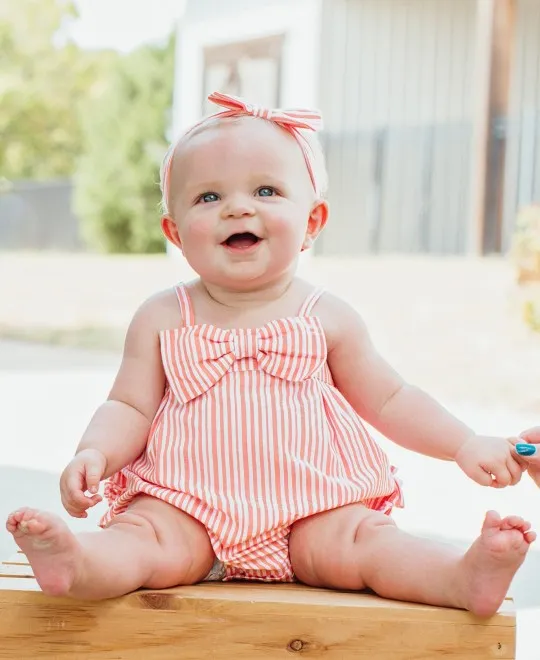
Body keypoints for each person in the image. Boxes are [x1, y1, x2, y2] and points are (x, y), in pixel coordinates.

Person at [6, 92, 536, 617]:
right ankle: (78, 563)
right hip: (188, 505)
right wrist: (94, 454)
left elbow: (392, 399)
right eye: (208, 197)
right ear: (174, 232)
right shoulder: (162, 316)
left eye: (266, 189)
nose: (238, 207)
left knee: (366, 543)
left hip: (313, 506)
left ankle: (459, 577)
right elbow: (128, 407)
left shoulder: (327, 316)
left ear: (312, 221)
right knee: (143, 539)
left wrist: (464, 443)